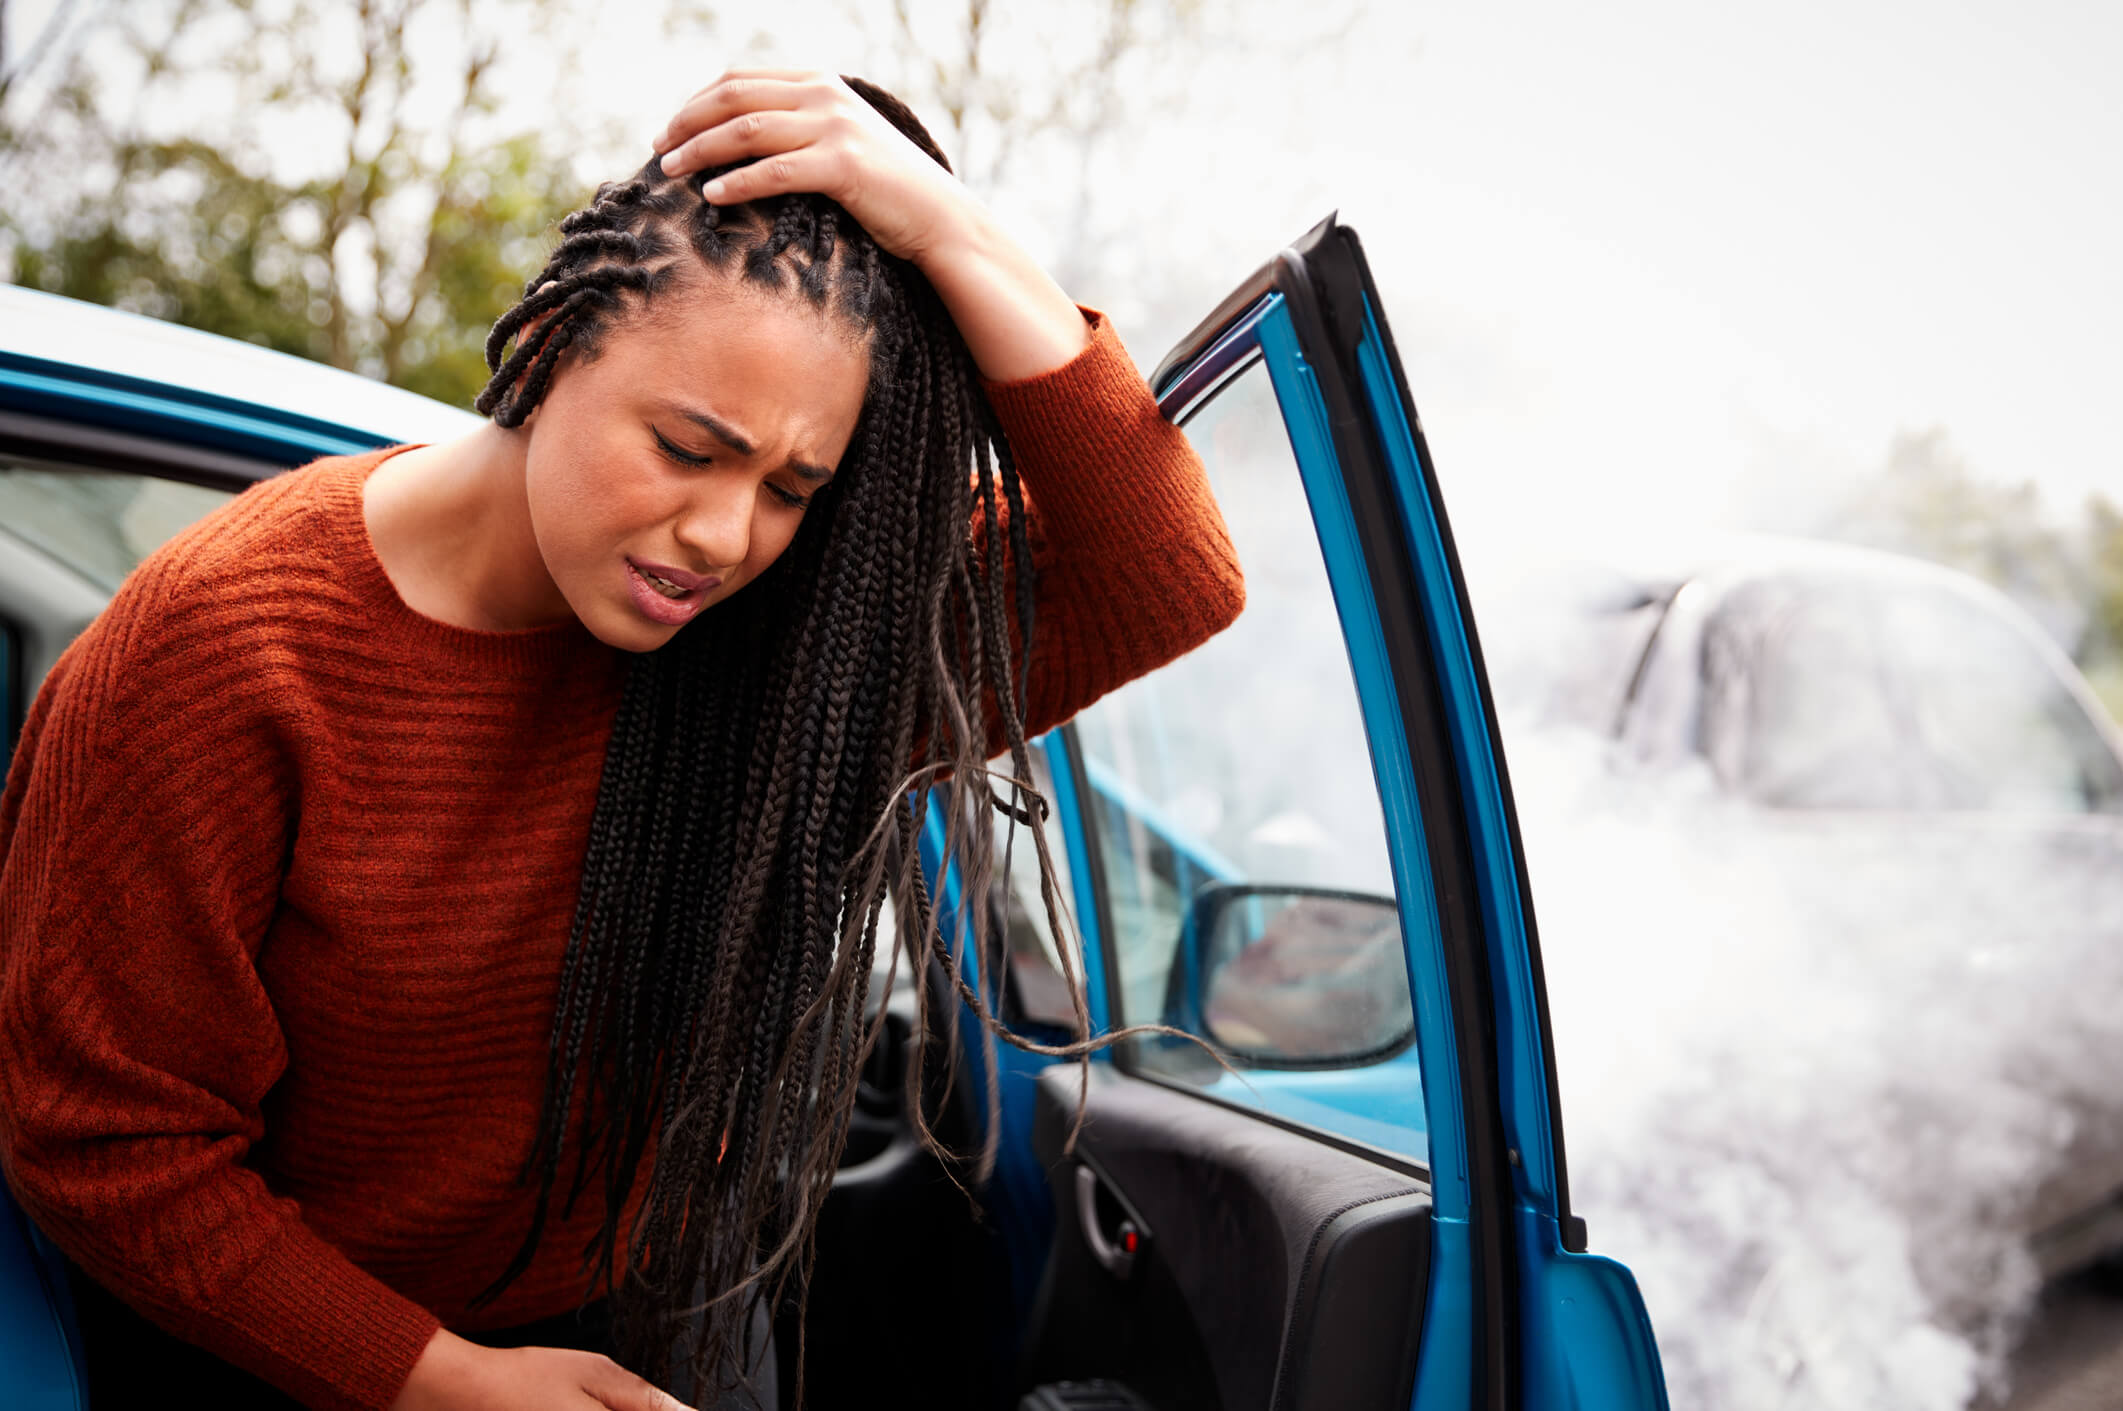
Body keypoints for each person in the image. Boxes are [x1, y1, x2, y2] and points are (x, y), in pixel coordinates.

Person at [0, 72, 1243, 1411]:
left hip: (670, 1317)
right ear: (548, 345)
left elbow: (1166, 573)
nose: (725, 536)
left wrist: (952, 230)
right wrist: (449, 1383)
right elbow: (107, 1148)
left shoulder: (780, 648)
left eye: (788, 488)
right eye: (684, 446)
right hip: (307, 1356)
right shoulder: (222, 651)